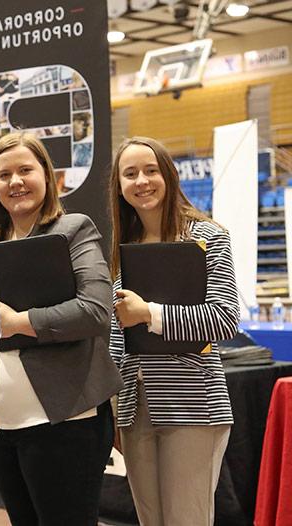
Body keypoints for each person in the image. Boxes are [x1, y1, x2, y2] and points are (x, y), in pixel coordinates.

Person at [0, 132, 122, 525]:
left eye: (25, 170)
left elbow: (95, 310)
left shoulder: (73, 229)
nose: (15, 182)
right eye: (3, 174)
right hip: (1, 421)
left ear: (48, 175)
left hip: (66, 421)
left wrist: (18, 323)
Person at [108, 136, 239, 526]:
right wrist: (115, 410)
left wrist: (150, 313)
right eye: (130, 174)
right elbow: (118, 336)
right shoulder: (123, 245)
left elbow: (225, 317)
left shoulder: (208, 238)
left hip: (194, 405)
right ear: (119, 185)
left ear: (168, 175)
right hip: (135, 408)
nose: (141, 181)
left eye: (150, 170)